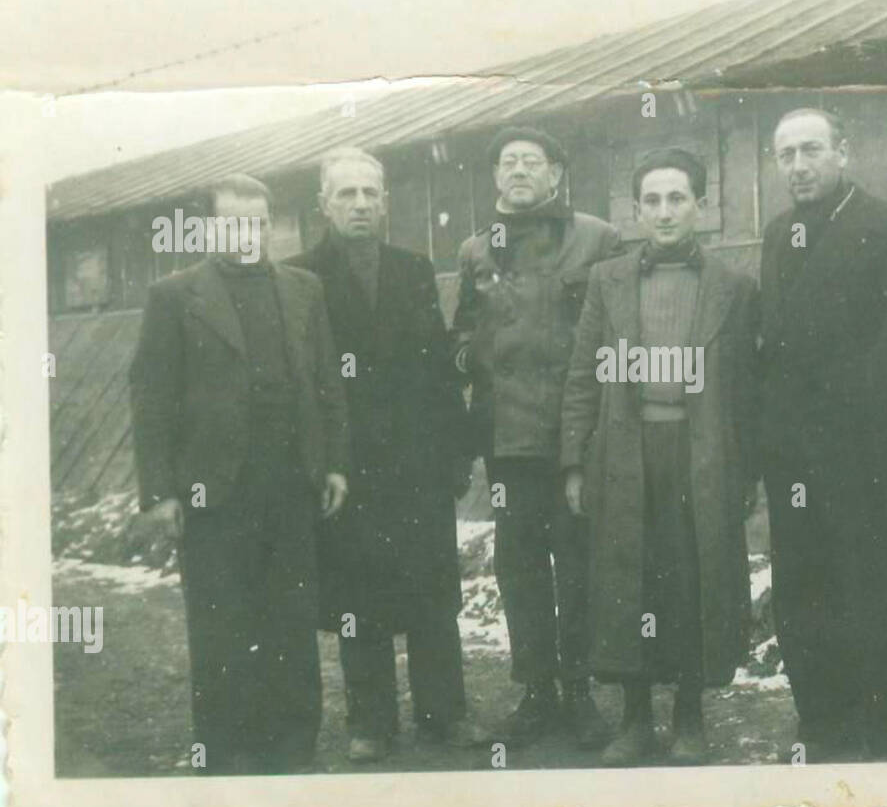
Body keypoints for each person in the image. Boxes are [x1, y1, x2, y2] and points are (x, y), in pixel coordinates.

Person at [129, 173, 349, 775]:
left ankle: (293, 747)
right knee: (221, 624)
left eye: (257, 223)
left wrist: (333, 465)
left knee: (291, 620)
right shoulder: (174, 296)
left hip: (291, 485)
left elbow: (327, 384)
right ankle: (227, 752)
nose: (247, 235)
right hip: (213, 493)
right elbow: (151, 400)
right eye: (233, 223)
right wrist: (159, 492)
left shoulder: (305, 289)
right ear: (207, 228)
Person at [285, 147, 485, 764]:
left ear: (386, 202)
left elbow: (436, 370)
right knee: (356, 599)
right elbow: (304, 386)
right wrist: (320, 465)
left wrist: (454, 455)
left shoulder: (413, 269)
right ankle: (369, 721)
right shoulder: (300, 277)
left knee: (432, 595)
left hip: (417, 465)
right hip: (348, 470)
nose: (361, 205)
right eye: (346, 194)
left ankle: (443, 714)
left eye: (370, 194)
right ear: (324, 204)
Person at [561, 148, 759, 766]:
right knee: (628, 583)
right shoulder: (608, 279)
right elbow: (583, 375)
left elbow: (749, 389)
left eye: (677, 198)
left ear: (700, 205)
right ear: (637, 209)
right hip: (624, 453)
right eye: (652, 200)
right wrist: (573, 462)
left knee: (692, 581)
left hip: (699, 456)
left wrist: (744, 472)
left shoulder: (734, 285)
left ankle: (690, 718)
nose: (665, 212)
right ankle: (636, 719)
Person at [759, 108, 887, 761]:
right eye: (786, 154)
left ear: (843, 152)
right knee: (802, 595)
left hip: (865, 455)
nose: (798, 166)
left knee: (874, 593)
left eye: (811, 150)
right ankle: (824, 722)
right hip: (792, 457)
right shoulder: (776, 234)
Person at [453, 126, 621, 748]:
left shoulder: (597, 238)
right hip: (509, 440)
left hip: (580, 434)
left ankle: (579, 693)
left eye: (533, 161)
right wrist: (475, 355)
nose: (519, 170)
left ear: (556, 173)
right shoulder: (476, 250)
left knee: (578, 564)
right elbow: (462, 333)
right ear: (496, 176)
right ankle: (536, 693)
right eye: (508, 162)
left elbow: (617, 329)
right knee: (519, 566)